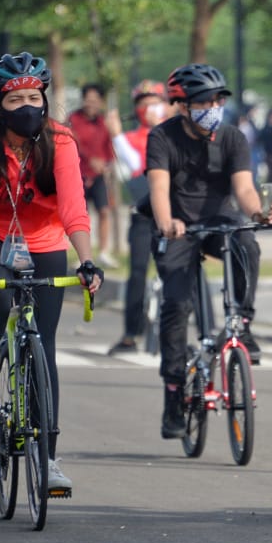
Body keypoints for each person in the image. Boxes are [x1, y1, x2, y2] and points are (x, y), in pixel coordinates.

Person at [0, 52, 104, 494]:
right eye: (15, 100)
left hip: (46, 238)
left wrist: (86, 260)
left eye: (34, 97)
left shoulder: (60, 140)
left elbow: (75, 206)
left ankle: (49, 460)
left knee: (46, 347)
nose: (27, 107)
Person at [147, 63, 272, 440]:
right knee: (176, 305)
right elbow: (158, 188)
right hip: (177, 226)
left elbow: (244, 188)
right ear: (182, 105)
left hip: (220, 221)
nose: (213, 107)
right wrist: (167, 222)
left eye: (217, 100)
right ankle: (174, 392)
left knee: (247, 246)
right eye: (203, 101)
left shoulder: (233, 138)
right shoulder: (162, 137)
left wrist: (258, 211)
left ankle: (242, 324)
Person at [107, 80, 170, 355]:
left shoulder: (172, 133)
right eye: (143, 103)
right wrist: (117, 135)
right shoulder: (131, 138)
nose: (150, 108)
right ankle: (132, 333)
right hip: (144, 213)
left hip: (173, 211)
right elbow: (134, 167)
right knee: (137, 272)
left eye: (155, 102)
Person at [68, 83, 119, 268]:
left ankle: (104, 251)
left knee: (104, 211)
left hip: (99, 175)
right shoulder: (73, 119)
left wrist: (105, 163)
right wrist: (91, 160)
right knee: (82, 216)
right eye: (88, 100)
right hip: (78, 173)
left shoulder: (104, 122)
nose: (91, 104)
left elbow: (109, 145)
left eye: (95, 100)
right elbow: (74, 143)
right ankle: (82, 255)